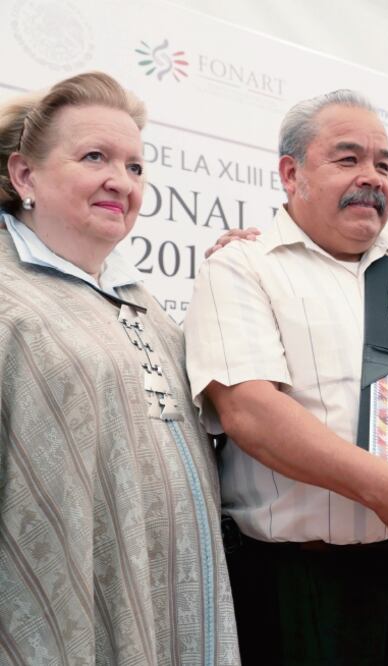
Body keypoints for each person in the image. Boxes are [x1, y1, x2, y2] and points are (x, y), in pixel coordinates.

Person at [184, 89, 388, 665]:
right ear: (291, 174)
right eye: (348, 159)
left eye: (384, 165)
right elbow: (251, 412)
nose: (371, 177)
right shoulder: (242, 266)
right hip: (306, 586)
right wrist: (385, 488)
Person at [0, 71, 238, 664]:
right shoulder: (8, 301)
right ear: (24, 175)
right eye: (95, 157)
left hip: (177, 615)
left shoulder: (145, 306)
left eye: (135, 166)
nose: (121, 182)